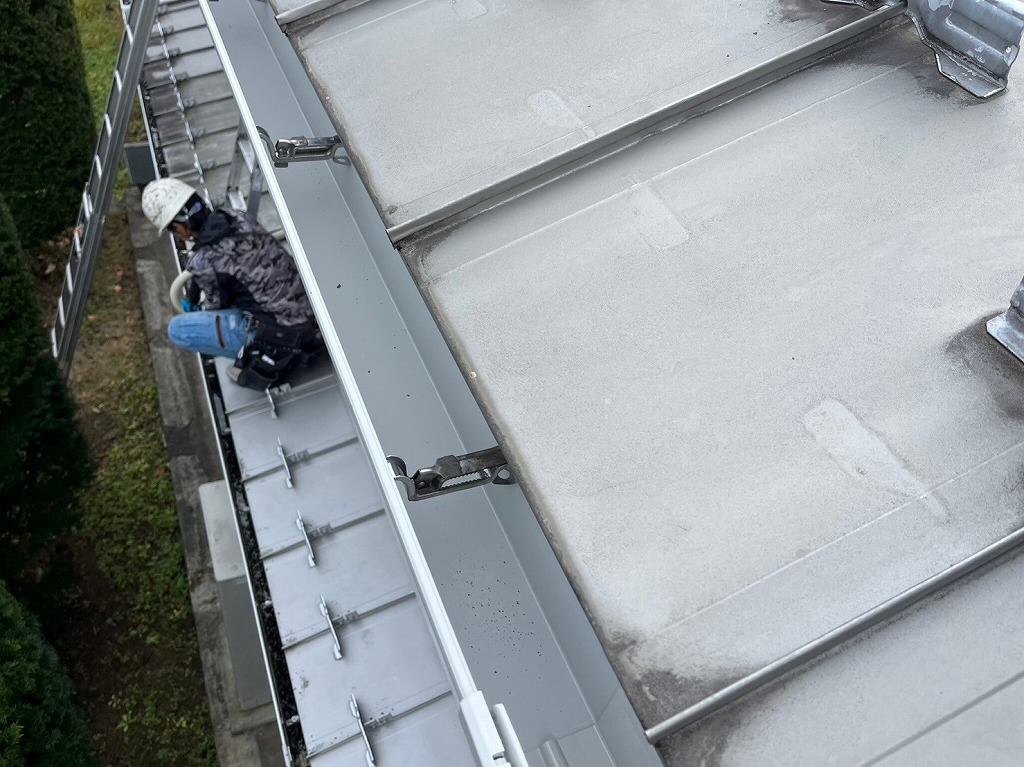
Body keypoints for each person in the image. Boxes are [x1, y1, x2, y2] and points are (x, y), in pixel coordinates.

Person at [140, 178, 321, 389]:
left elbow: (217, 308)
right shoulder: (237, 216)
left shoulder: (204, 262)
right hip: (311, 304)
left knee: (178, 329)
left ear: (179, 227)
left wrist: (197, 300)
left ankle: (265, 351)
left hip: (287, 334)